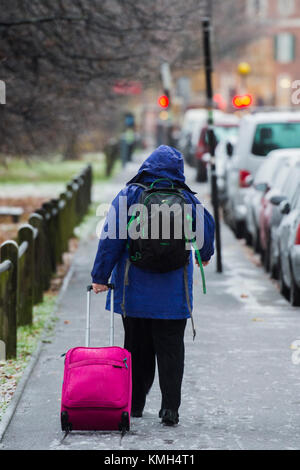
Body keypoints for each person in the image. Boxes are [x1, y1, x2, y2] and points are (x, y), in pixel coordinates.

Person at [91, 145, 215, 426]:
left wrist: (100, 277)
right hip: (173, 296)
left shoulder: (129, 196)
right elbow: (206, 232)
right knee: (171, 351)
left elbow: (109, 240)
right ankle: (170, 409)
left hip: (133, 293)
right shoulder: (186, 198)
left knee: (136, 348)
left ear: (146, 166)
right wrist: (204, 256)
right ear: (179, 170)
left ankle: (134, 405)